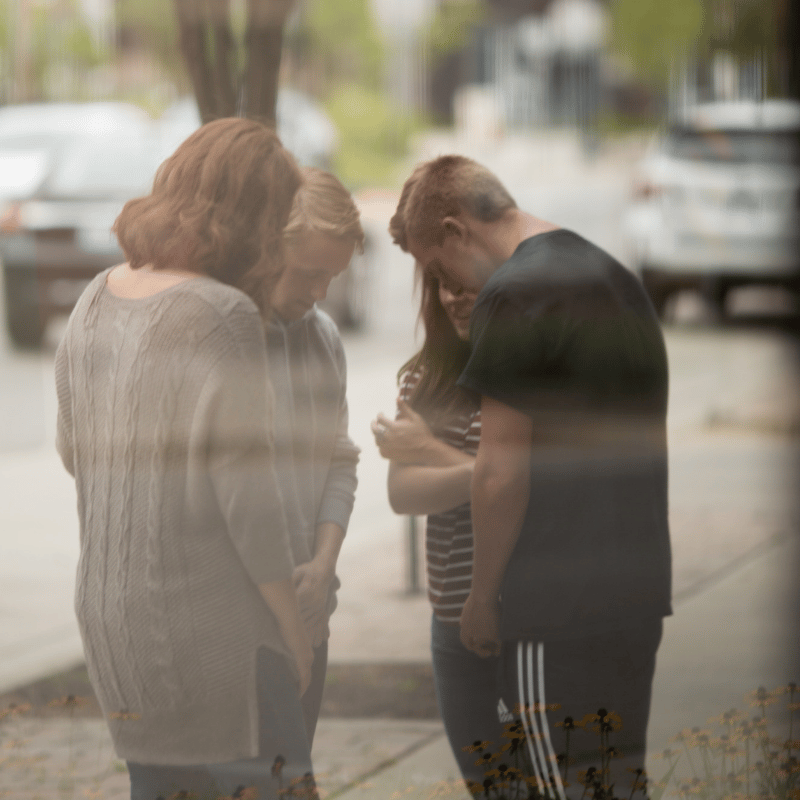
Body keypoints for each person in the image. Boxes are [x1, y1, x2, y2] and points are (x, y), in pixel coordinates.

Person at [389, 155, 672, 798]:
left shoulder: (515, 293)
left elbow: (501, 470)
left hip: (553, 607)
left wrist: (483, 599)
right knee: (614, 786)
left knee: (554, 788)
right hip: (636, 592)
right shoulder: (613, 276)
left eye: (437, 265)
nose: (447, 285)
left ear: (458, 232)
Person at [55, 118, 315, 800]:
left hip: (116, 626)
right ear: (257, 220)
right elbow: (250, 505)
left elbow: (71, 452)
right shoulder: (222, 313)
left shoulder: (91, 300)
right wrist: (294, 626)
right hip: (214, 633)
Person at [370, 263, 507, 785]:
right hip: (452, 615)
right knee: (489, 782)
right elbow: (402, 493)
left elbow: (544, 489)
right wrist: (491, 475)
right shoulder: (425, 376)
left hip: (529, 611)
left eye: (466, 281)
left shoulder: (529, 372)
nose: (453, 296)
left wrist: (431, 451)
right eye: (440, 284)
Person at [266, 167, 362, 746]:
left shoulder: (324, 337)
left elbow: (340, 460)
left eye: (334, 275)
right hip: (243, 627)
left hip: (310, 613)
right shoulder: (225, 336)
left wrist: (324, 562)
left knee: (293, 774)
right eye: (310, 273)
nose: (322, 291)